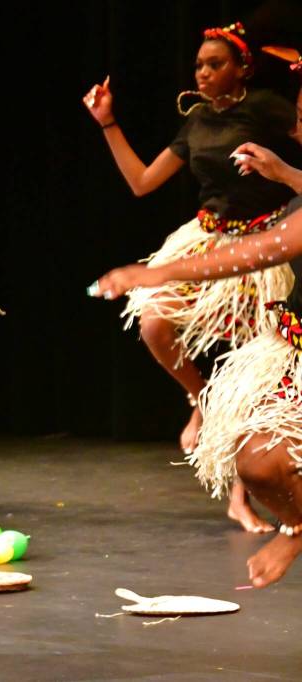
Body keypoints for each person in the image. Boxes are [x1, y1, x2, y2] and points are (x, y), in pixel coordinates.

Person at [91, 44, 302, 587]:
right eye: (197, 65)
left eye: (214, 64)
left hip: (266, 243)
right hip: (218, 245)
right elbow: (141, 183)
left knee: (258, 420)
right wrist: (109, 123)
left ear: (242, 69)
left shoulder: (268, 109)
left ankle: (269, 513)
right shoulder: (197, 122)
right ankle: (199, 400)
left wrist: (282, 173)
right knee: (156, 322)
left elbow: (275, 240)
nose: (201, 72)